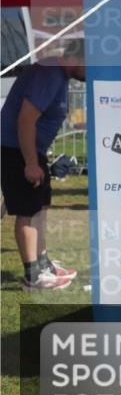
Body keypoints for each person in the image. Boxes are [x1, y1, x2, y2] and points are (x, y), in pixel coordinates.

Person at [0, 42, 85, 290]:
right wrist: (29, 163)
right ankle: (33, 275)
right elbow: (26, 119)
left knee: (40, 206)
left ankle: (43, 263)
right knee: (27, 211)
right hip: (16, 150)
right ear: (78, 58)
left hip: (30, 151)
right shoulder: (49, 73)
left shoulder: (57, 73)